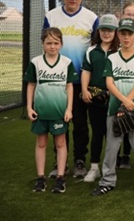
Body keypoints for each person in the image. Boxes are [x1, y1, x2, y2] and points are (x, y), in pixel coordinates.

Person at [91, 18, 134, 197]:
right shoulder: (112, 58)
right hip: (114, 108)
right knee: (112, 146)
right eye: (123, 33)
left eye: (130, 34)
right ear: (118, 35)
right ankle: (107, 181)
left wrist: (128, 101)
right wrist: (123, 101)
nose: (126, 37)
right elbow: (109, 83)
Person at [43, 0, 99, 179]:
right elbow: (47, 44)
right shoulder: (51, 16)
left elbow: (97, 48)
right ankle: (60, 162)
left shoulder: (91, 18)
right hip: (56, 81)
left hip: (80, 82)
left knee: (81, 124)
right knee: (59, 123)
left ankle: (79, 160)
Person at [25, 27, 78, 193]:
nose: (52, 46)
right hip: (41, 112)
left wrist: (69, 109)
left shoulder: (67, 63)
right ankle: (41, 178)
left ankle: (61, 178)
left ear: (61, 44)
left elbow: (70, 86)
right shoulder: (36, 62)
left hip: (59, 112)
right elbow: (31, 85)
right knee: (41, 143)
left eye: (56, 43)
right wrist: (29, 107)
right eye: (48, 43)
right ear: (42, 44)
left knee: (60, 143)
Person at [81, 14, 120, 182]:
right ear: (99, 31)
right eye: (104, 29)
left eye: (110, 30)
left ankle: (110, 168)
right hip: (95, 99)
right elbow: (86, 71)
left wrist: (116, 93)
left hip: (114, 99)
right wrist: (84, 90)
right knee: (97, 133)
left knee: (113, 135)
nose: (107, 33)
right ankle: (95, 167)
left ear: (116, 32)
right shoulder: (92, 50)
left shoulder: (119, 51)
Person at [116, 1, 134, 169]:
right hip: (118, 87)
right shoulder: (118, 35)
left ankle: (126, 155)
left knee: (132, 122)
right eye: (128, 14)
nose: (131, 16)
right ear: (122, 15)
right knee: (117, 123)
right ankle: (117, 155)